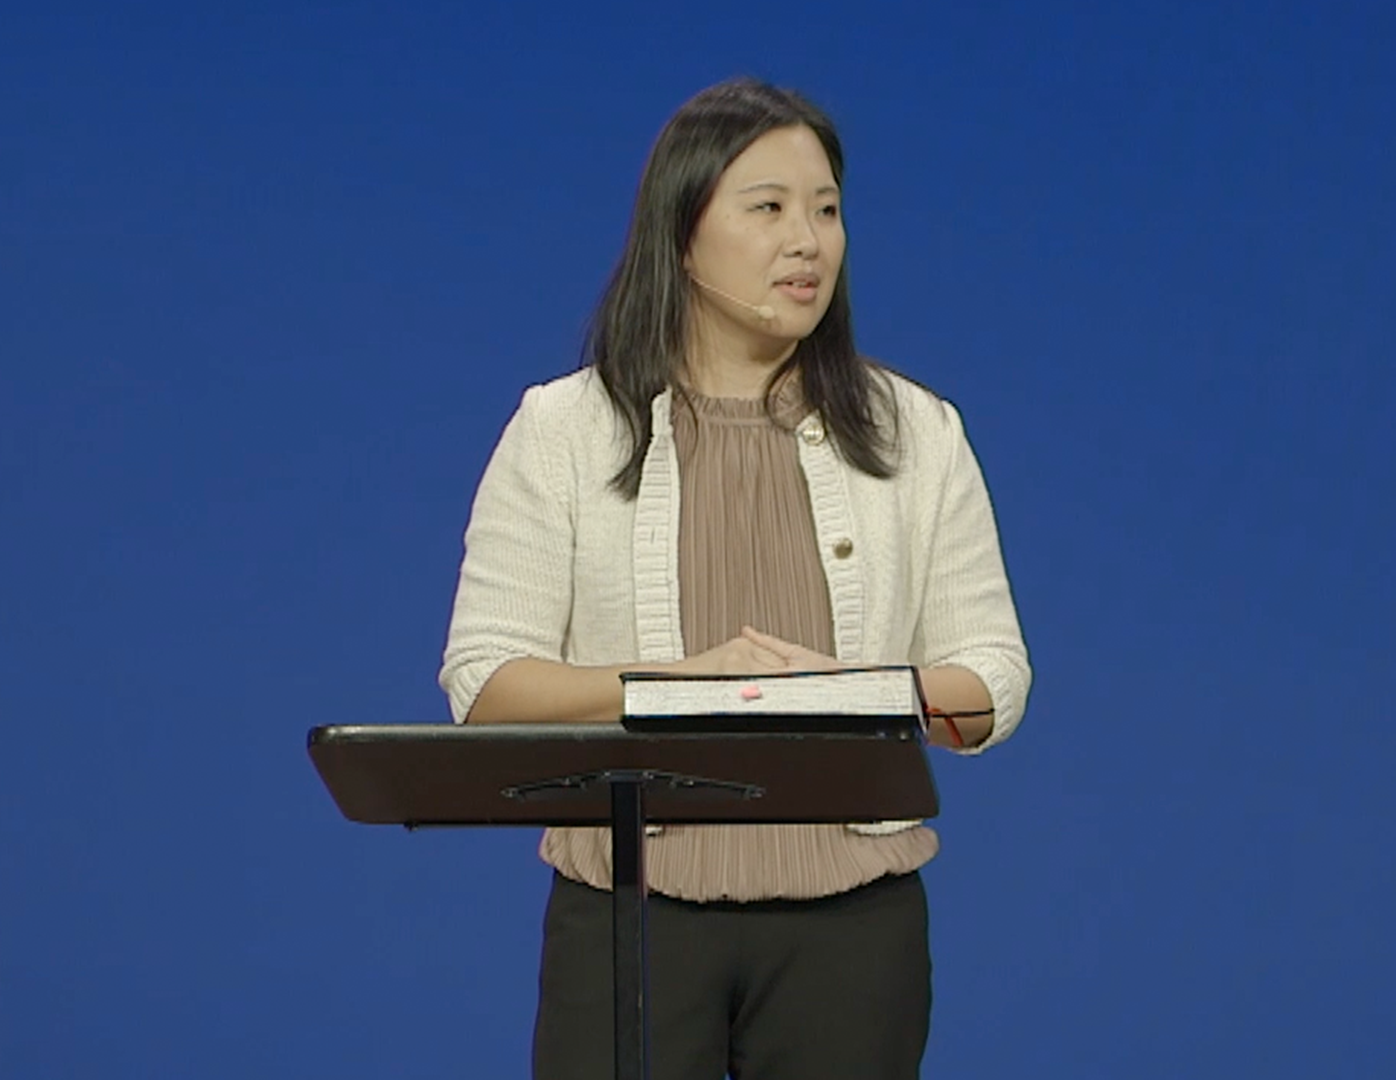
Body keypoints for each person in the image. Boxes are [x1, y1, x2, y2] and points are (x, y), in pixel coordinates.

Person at [439, 77, 1032, 1080]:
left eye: (827, 210)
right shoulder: (563, 431)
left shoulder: (917, 431)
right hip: (628, 919)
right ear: (681, 234)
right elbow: (486, 683)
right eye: (769, 208)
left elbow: (994, 677)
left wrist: (860, 696)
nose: (809, 242)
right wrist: (677, 687)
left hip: (854, 933)